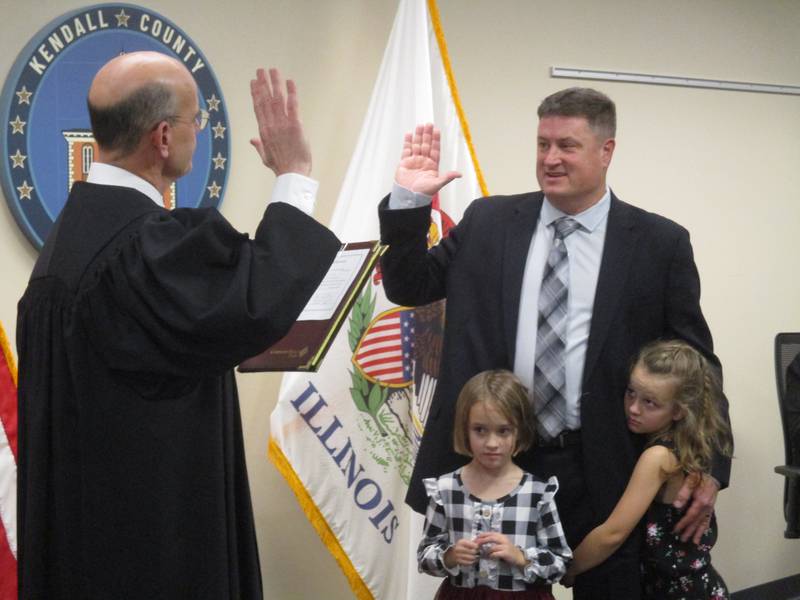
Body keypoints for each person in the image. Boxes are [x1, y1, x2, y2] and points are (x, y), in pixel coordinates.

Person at [378, 87, 731, 598]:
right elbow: (408, 286)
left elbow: (697, 363)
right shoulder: (488, 222)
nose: (550, 159)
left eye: (567, 145)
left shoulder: (658, 243)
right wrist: (410, 201)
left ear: (606, 151)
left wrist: (712, 464)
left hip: (605, 463)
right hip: (497, 460)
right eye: (542, 144)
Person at [16, 52, 340, 599]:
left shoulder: (65, 247)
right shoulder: (139, 248)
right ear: (164, 137)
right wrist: (294, 175)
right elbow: (252, 302)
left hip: (80, 548)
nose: (200, 132)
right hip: (150, 551)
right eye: (198, 121)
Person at [563, 340, 732, 598]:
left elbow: (613, 533)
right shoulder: (688, 442)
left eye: (650, 403)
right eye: (631, 392)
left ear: (678, 411)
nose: (633, 408)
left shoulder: (657, 457)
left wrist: (570, 567)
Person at [417, 369, 572, 599]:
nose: (492, 443)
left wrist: (521, 557)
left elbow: (560, 561)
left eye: (503, 431)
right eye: (480, 430)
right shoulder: (445, 489)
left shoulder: (538, 493)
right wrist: (449, 556)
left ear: (519, 431)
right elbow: (424, 555)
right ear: (465, 429)